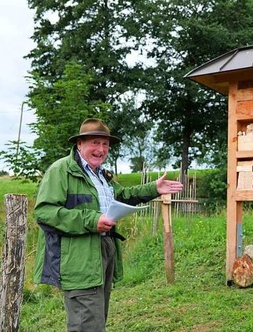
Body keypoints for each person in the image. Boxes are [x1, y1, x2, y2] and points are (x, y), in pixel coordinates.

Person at [33, 118, 183, 331]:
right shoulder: (61, 171)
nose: (101, 149)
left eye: (105, 144)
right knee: (87, 324)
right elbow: (45, 213)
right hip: (78, 258)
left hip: (104, 249)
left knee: (97, 319)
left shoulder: (101, 175)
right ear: (79, 144)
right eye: (95, 142)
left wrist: (153, 189)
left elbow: (122, 195)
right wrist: (93, 220)